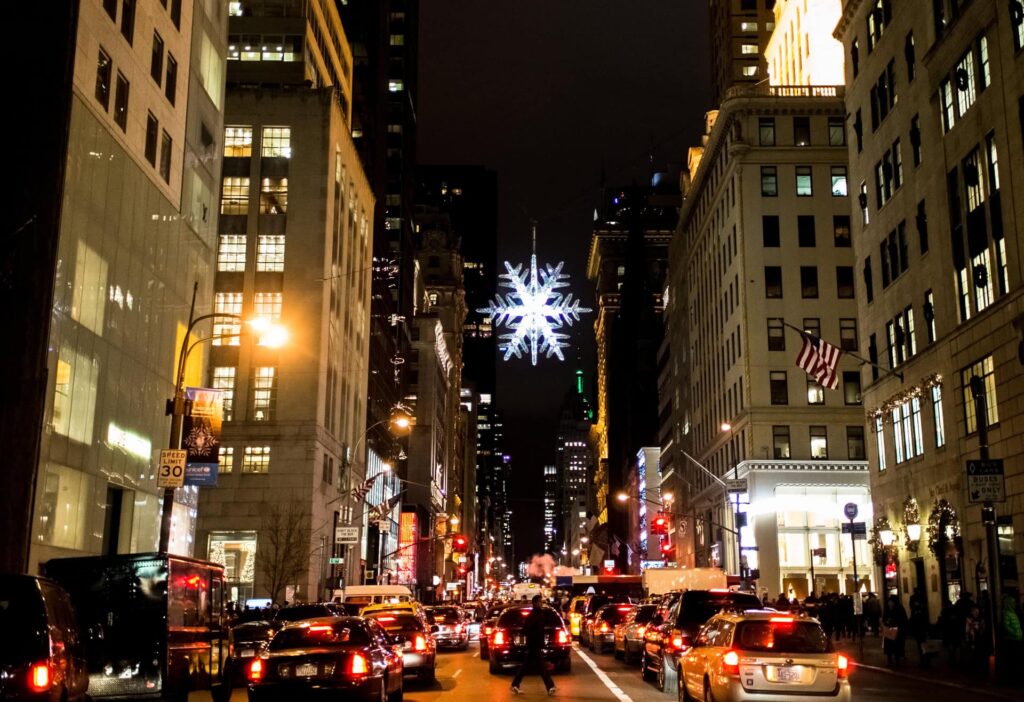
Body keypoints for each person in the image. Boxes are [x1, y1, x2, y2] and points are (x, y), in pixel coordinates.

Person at [511, 595, 556, 696]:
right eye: (539, 602)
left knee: (528, 666)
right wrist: (535, 639)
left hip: (535, 644)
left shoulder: (539, 614)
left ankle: (515, 684)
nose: (541, 603)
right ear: (534, 603)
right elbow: (527, 630)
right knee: (541, 667)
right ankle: (550, 686)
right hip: (533, 645)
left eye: (541, 602)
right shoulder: (534, 615)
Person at [883, 595, 908, 666]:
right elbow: (884, 617)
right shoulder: (887, 609)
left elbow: (903, 619)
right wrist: (886, 621)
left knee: (896, 645)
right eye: (889, 601)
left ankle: (897, 659)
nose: (890, 603)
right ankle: (889, 659)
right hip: (888, 629)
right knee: (889, 646)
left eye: (891, 601)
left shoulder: (899, 608)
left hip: (896, 629)